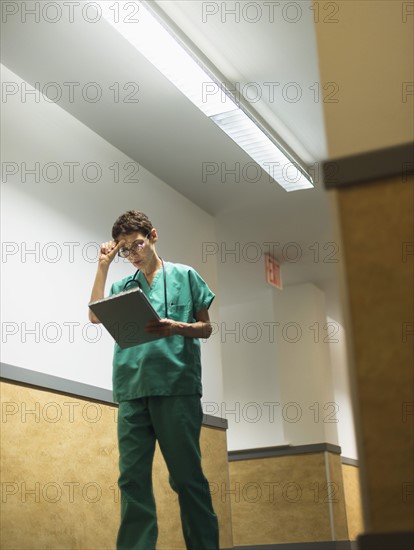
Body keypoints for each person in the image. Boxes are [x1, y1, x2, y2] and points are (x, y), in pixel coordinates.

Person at [88, 210, 220, 550]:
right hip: (132, 390)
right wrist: (103, 264)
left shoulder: (186, 275)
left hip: (176, 387)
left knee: (187, 479)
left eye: (137, 244)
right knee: (131, 479)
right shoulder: (122, 286)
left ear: (154, 236)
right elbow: (93, 315)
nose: (132, 254)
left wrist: (176, 326)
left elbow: (206, 327)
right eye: (125, 250)